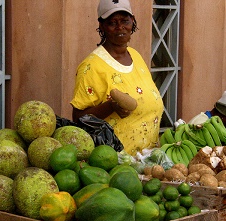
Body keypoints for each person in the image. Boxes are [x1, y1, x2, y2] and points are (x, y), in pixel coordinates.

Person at [70, 0, 164, 156]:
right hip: (117, 162)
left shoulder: (135, 56)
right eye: (112, 23)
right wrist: (111, 107)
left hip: (147, 160)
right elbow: (78, 118)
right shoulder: (92, 66)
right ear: (102, 26)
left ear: (133, 20)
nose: (120, 27)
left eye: (125, 21)